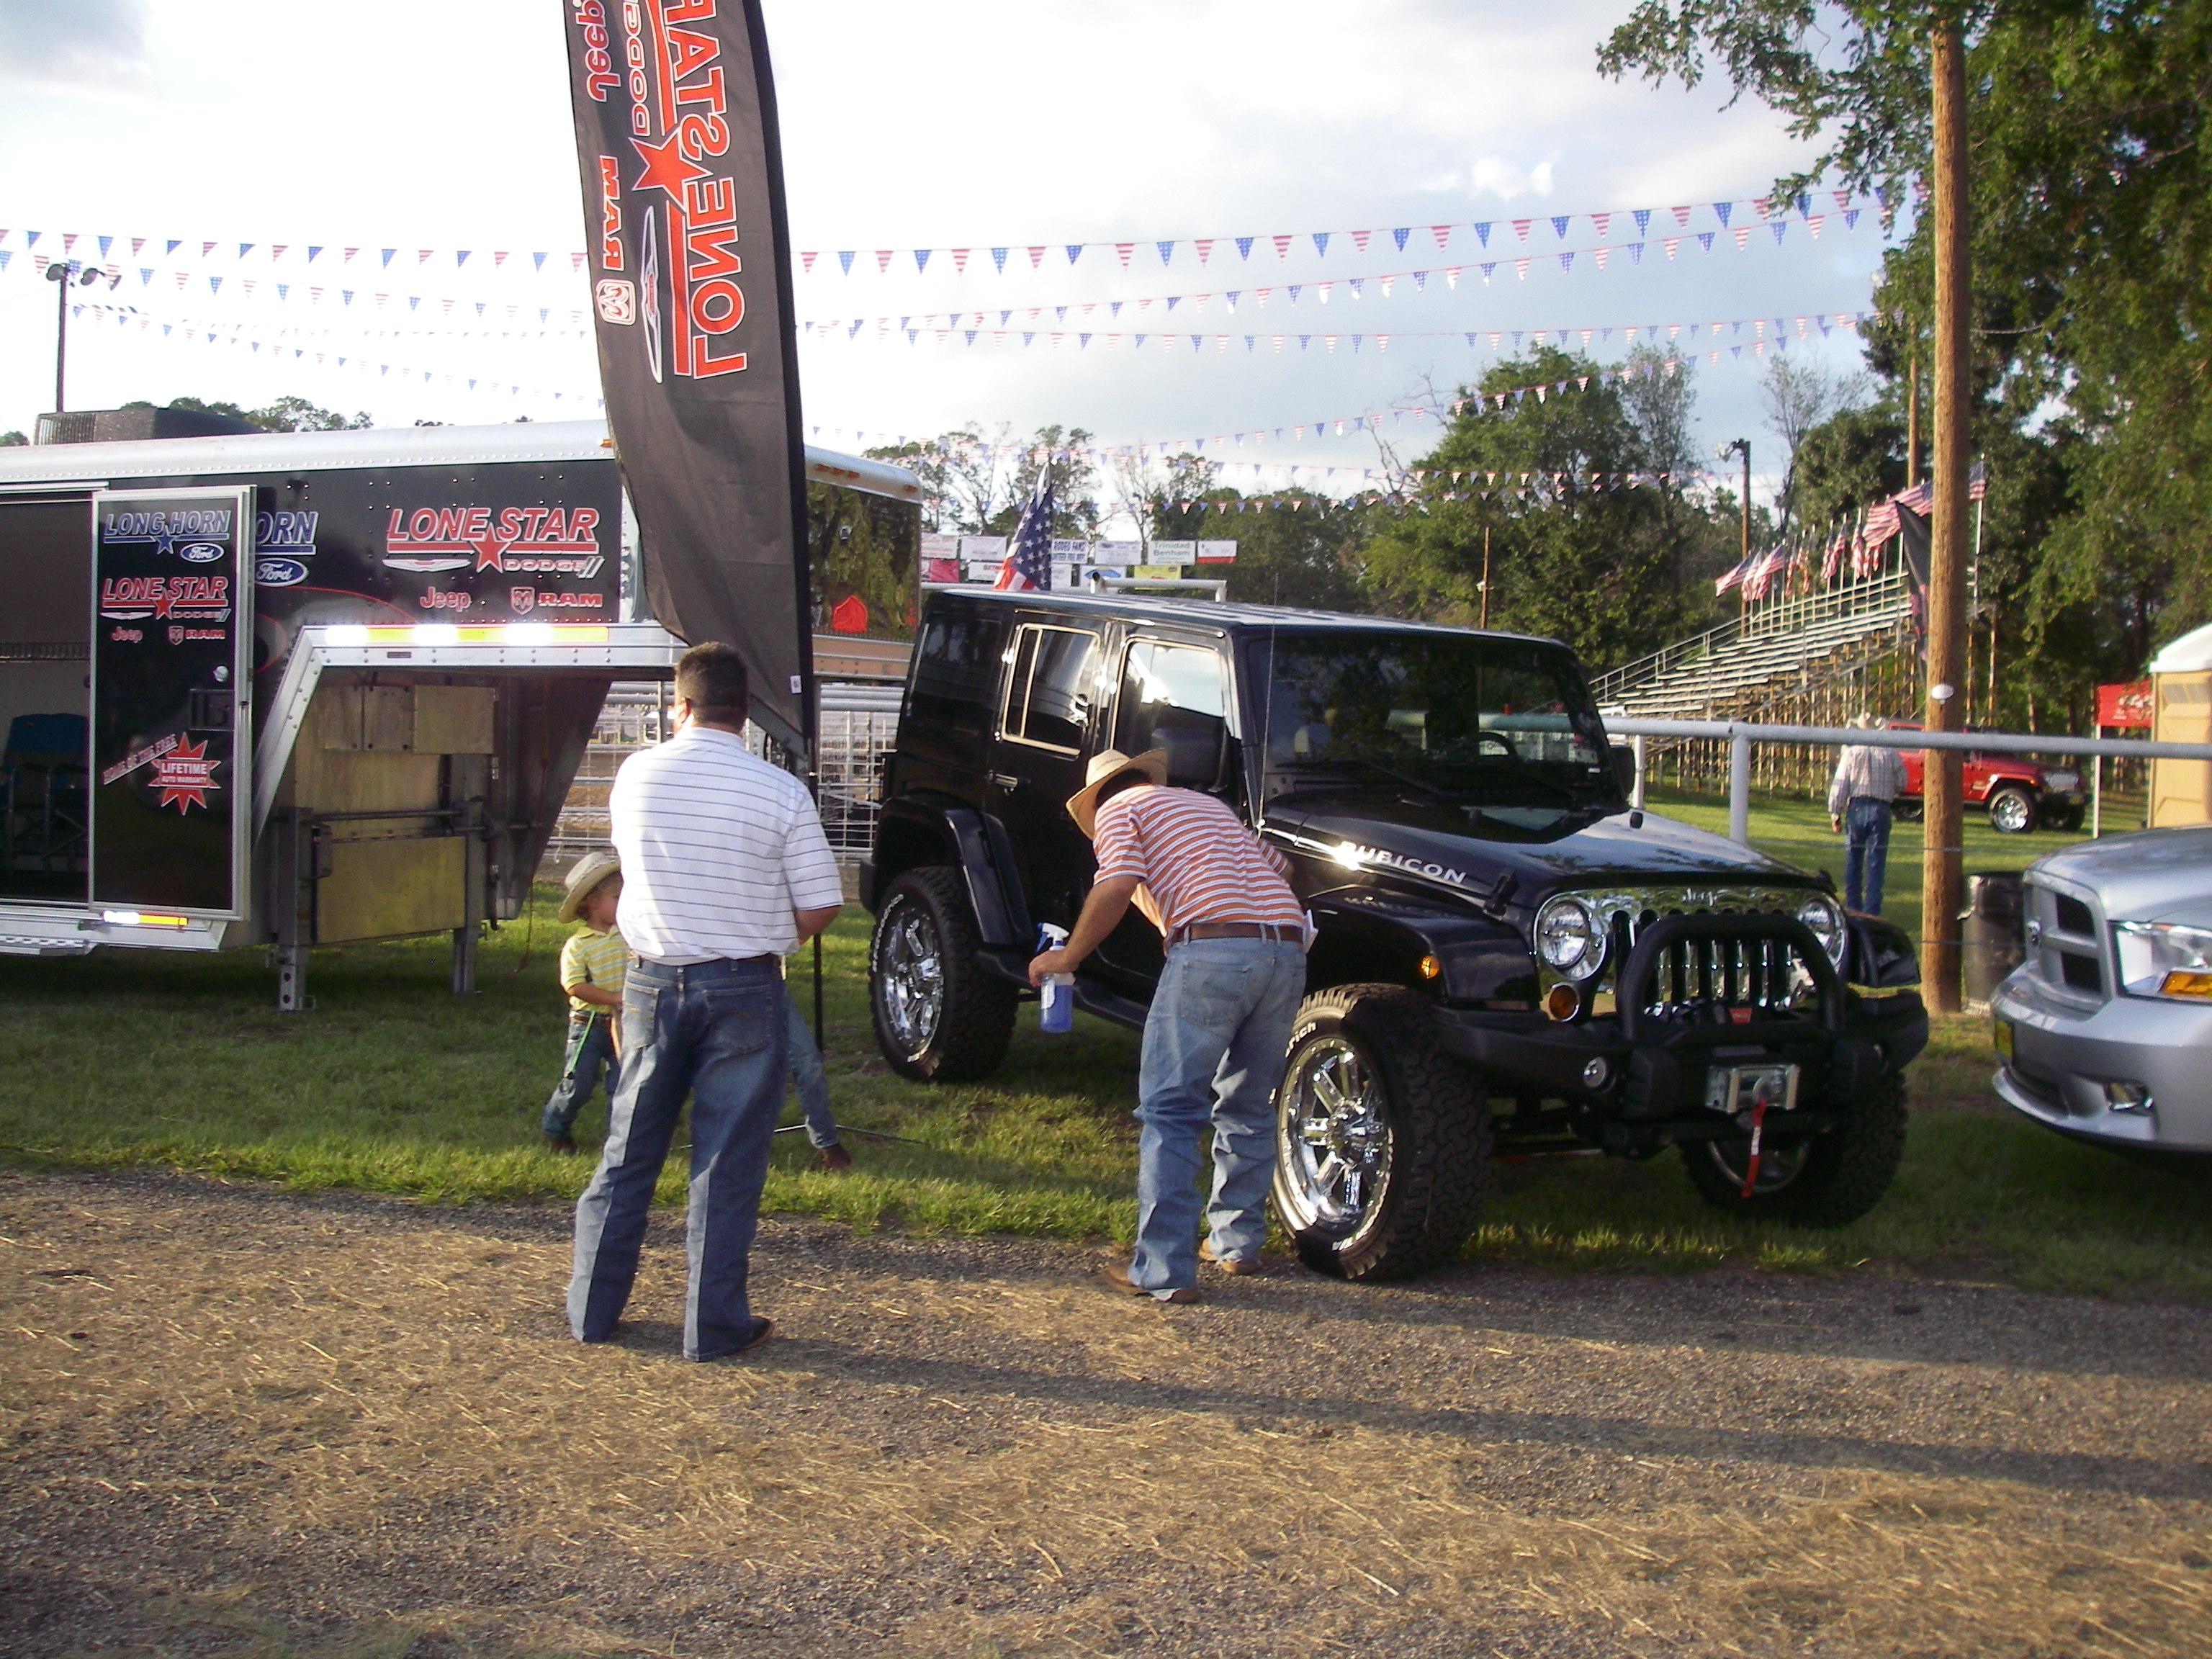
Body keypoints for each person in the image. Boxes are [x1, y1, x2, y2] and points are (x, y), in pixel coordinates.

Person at [567, 642, 844, 1362]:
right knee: (726, 1161)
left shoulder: (635, 776)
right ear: (745, 713)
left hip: (651, 978)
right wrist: (763, 931)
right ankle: (711, 1326)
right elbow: (821, 905)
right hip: (745, 983)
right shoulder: (779, 791)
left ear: (679, 704)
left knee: (630, 1148)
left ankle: (592, 1311)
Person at [1029, 747, 1308, 1303]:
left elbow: (1115, 882)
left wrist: (1068, 958)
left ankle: (1160, 1270)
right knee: (1249, 1104)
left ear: (1098, 798)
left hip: (1210, 950)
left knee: (1171, 1111)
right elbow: (1283, 869)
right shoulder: (1206, 806)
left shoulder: (1119, 810)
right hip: (1287, 945)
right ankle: (1236, 1244)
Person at [541, 849, 626, 1154]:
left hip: (624, 1023)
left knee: (623, 1084)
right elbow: (575, 986)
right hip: (588, 1024)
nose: (624, 903)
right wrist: (614, 997)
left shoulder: (628, 936)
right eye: (617, 897)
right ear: (591, 902)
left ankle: (618, 1141)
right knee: (578, 1083)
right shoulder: (578, 945)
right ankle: (556, 1128)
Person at [1828, 712, 1907, 914]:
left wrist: (1835, 812)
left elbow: (1840, 784)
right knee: (1876, 863)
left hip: (1856, 807)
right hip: (1881, 808)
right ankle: (1872, 912)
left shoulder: (1852, 753)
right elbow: (1902, 782)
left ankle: (1854, 908)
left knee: (1854, 860)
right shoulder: (1889, 752)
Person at [783, 979, 851, 1172]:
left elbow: (791, 946)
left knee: (807, 1060)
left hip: (765, 980)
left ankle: (825, 1138)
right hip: (703, 976)